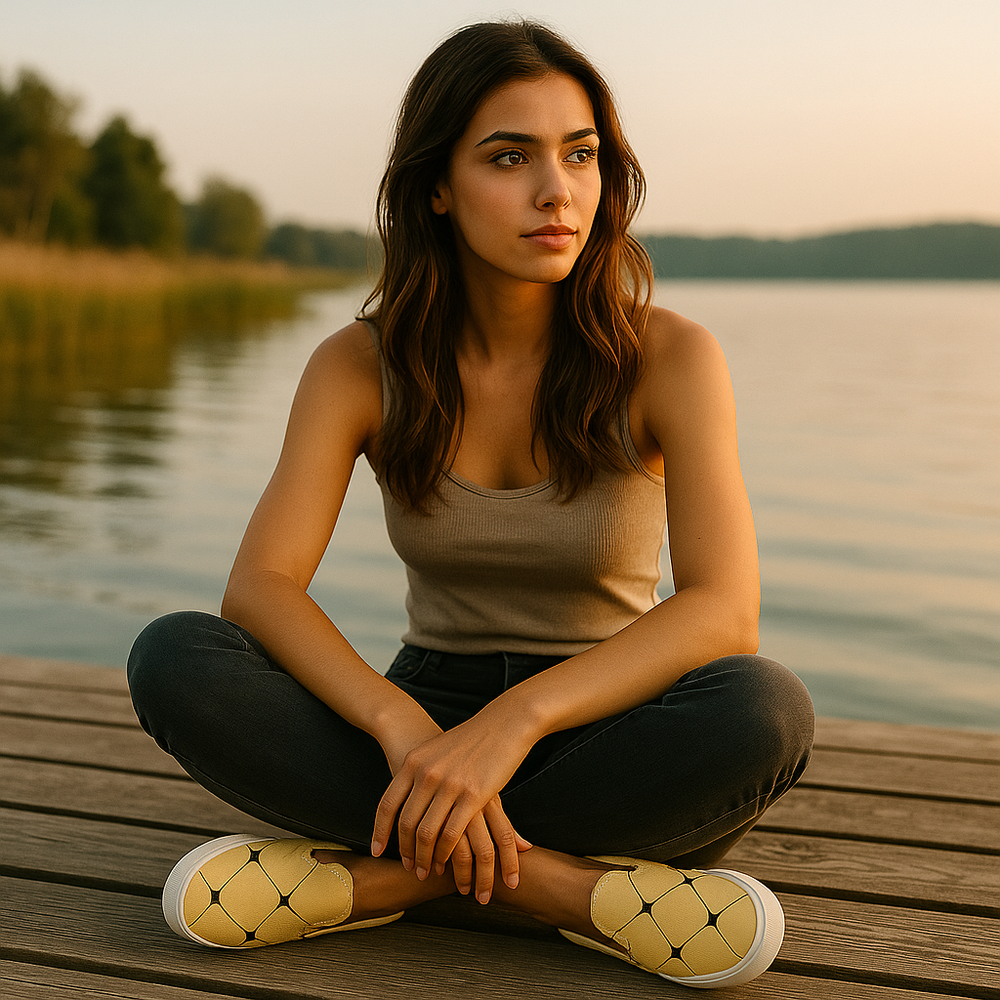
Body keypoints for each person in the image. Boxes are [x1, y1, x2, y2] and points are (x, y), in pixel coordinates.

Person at [128, 20, 813, 990]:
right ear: (437, 188)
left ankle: (374, 885)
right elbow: (263, 587)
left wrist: (516, 723)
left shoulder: (670, 357)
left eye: (580, 156)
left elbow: (720, 611)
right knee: (173, 654)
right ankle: (568, 890)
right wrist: (405, 729)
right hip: (420, 714)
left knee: (763, 708)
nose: (556, 191)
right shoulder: (357, 367)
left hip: (601, 719)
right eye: (509, 157)